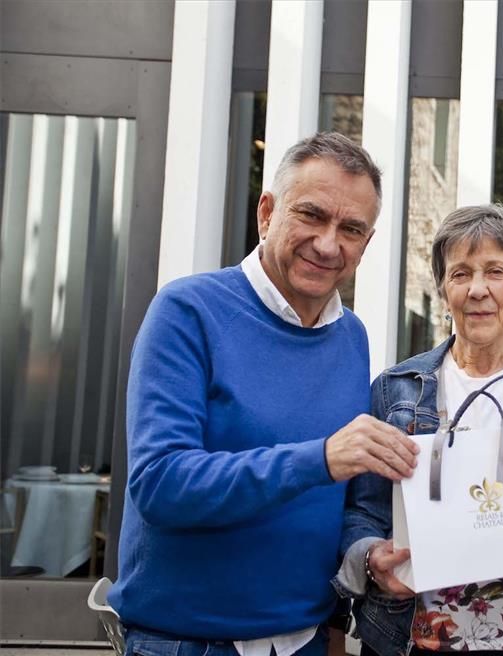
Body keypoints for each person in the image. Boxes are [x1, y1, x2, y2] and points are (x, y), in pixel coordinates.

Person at [110, 132, 421, 655]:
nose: (328, 244)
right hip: (188, 643)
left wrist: (367, 559)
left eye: (350, 229)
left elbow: (339, 501)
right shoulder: (187, 312)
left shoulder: (352, 337)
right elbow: (161, 484)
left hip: (306, 642)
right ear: (267, 212)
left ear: (366, 245)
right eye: (312, 216)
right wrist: (319, 458)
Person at [332, 204, 503, 656]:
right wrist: (370, 558)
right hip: (410, 639)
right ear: (443, 289)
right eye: (460, 274)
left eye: (495, 271)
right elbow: (364, 511)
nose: (478, 290)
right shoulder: (394, 391)